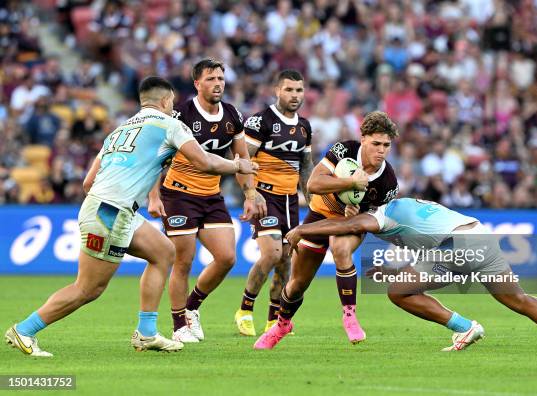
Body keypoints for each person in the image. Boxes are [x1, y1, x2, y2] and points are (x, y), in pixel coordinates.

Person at [4, 76, 258, 357]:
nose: (173, 106)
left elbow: (88, 182)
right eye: (171, 102)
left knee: (163, 252)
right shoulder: (170, 125)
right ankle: (25, 330)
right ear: (164, 101)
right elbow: (205, 161)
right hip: (112, 212)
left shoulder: (119, 130)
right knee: (88, 289)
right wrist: (239, 164)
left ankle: (147, 333)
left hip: (107, 207)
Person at [277, 197, 537, 352]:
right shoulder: (405, 203)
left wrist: (299, 230)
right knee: (518, 299)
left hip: (454, 247)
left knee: (397, 291)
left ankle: (466, 327)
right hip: (478, 235)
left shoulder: (381, 215)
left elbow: (349, 226)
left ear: (364, 205)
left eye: (352, 205)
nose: (349, 212)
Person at [255, 111, 400, 348]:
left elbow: (376, 221)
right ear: (363, 138)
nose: (381, 150)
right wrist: (350, 183)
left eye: (386, 145)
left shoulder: (388, 182)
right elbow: (313, 184)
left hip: (350, 225)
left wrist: (358, 216)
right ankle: (282, 325)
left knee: (340, 247)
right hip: (320, 214)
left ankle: (349, 315)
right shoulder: (344, 151)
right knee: (296, 285)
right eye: (376, 143)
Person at [147, 59, 266, 343]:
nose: (218, 84)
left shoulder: (232, 115)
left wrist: (250, 194)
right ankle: (179, 326)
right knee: (183, 262)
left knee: (227, 257)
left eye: (221, 79)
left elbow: (242, 160)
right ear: (197, 84)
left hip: (211, 195)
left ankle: (192, 308)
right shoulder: (181, 115)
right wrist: (153, 196)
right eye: (211, 79)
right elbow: (157, 157)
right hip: (178, 194)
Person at [234, 70, 313, 336]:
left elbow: (306, 168)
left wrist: (313, 202)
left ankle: (273, 319)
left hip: (290, 200)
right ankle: (245, 309)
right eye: (289, 90)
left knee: (285, 260)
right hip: (265, 198)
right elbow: (242, 161)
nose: (294, 95)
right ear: (277, 90)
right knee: (272, 254)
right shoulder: (260, 121)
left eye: (299, 90)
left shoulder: (304, 126)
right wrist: (250, 194)